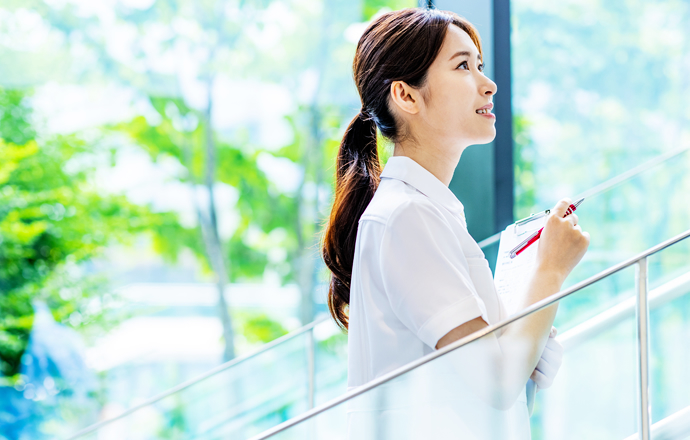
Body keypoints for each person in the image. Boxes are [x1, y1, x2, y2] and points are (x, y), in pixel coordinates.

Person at [321, 7, 590, 440]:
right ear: (407, 96)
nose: (489, 84)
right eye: (463, 66)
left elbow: (490, 378)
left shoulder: (424, 211)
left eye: (479, 65)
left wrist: (530, 337)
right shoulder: (407, 216)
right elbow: (497, 381)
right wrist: (551, 268)